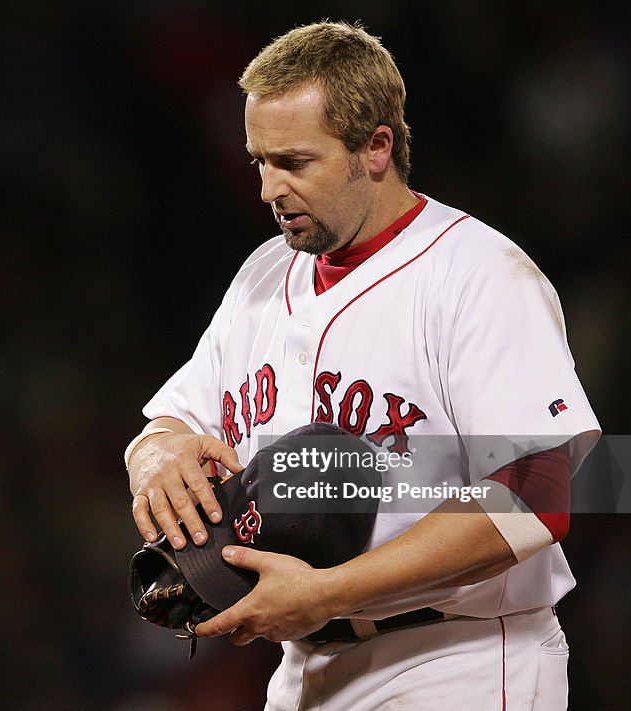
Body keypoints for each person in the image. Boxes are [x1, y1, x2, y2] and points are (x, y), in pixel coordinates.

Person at [124, 21, 601, 710]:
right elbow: (171, 419)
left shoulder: (476, 275)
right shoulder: (263, 275)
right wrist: (155, 454)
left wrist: (326, 592)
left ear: (377, 147)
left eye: (294, 161)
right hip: (305, 665)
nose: (268, 188)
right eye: (260, 160)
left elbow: (536, 496)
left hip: (453, 658)